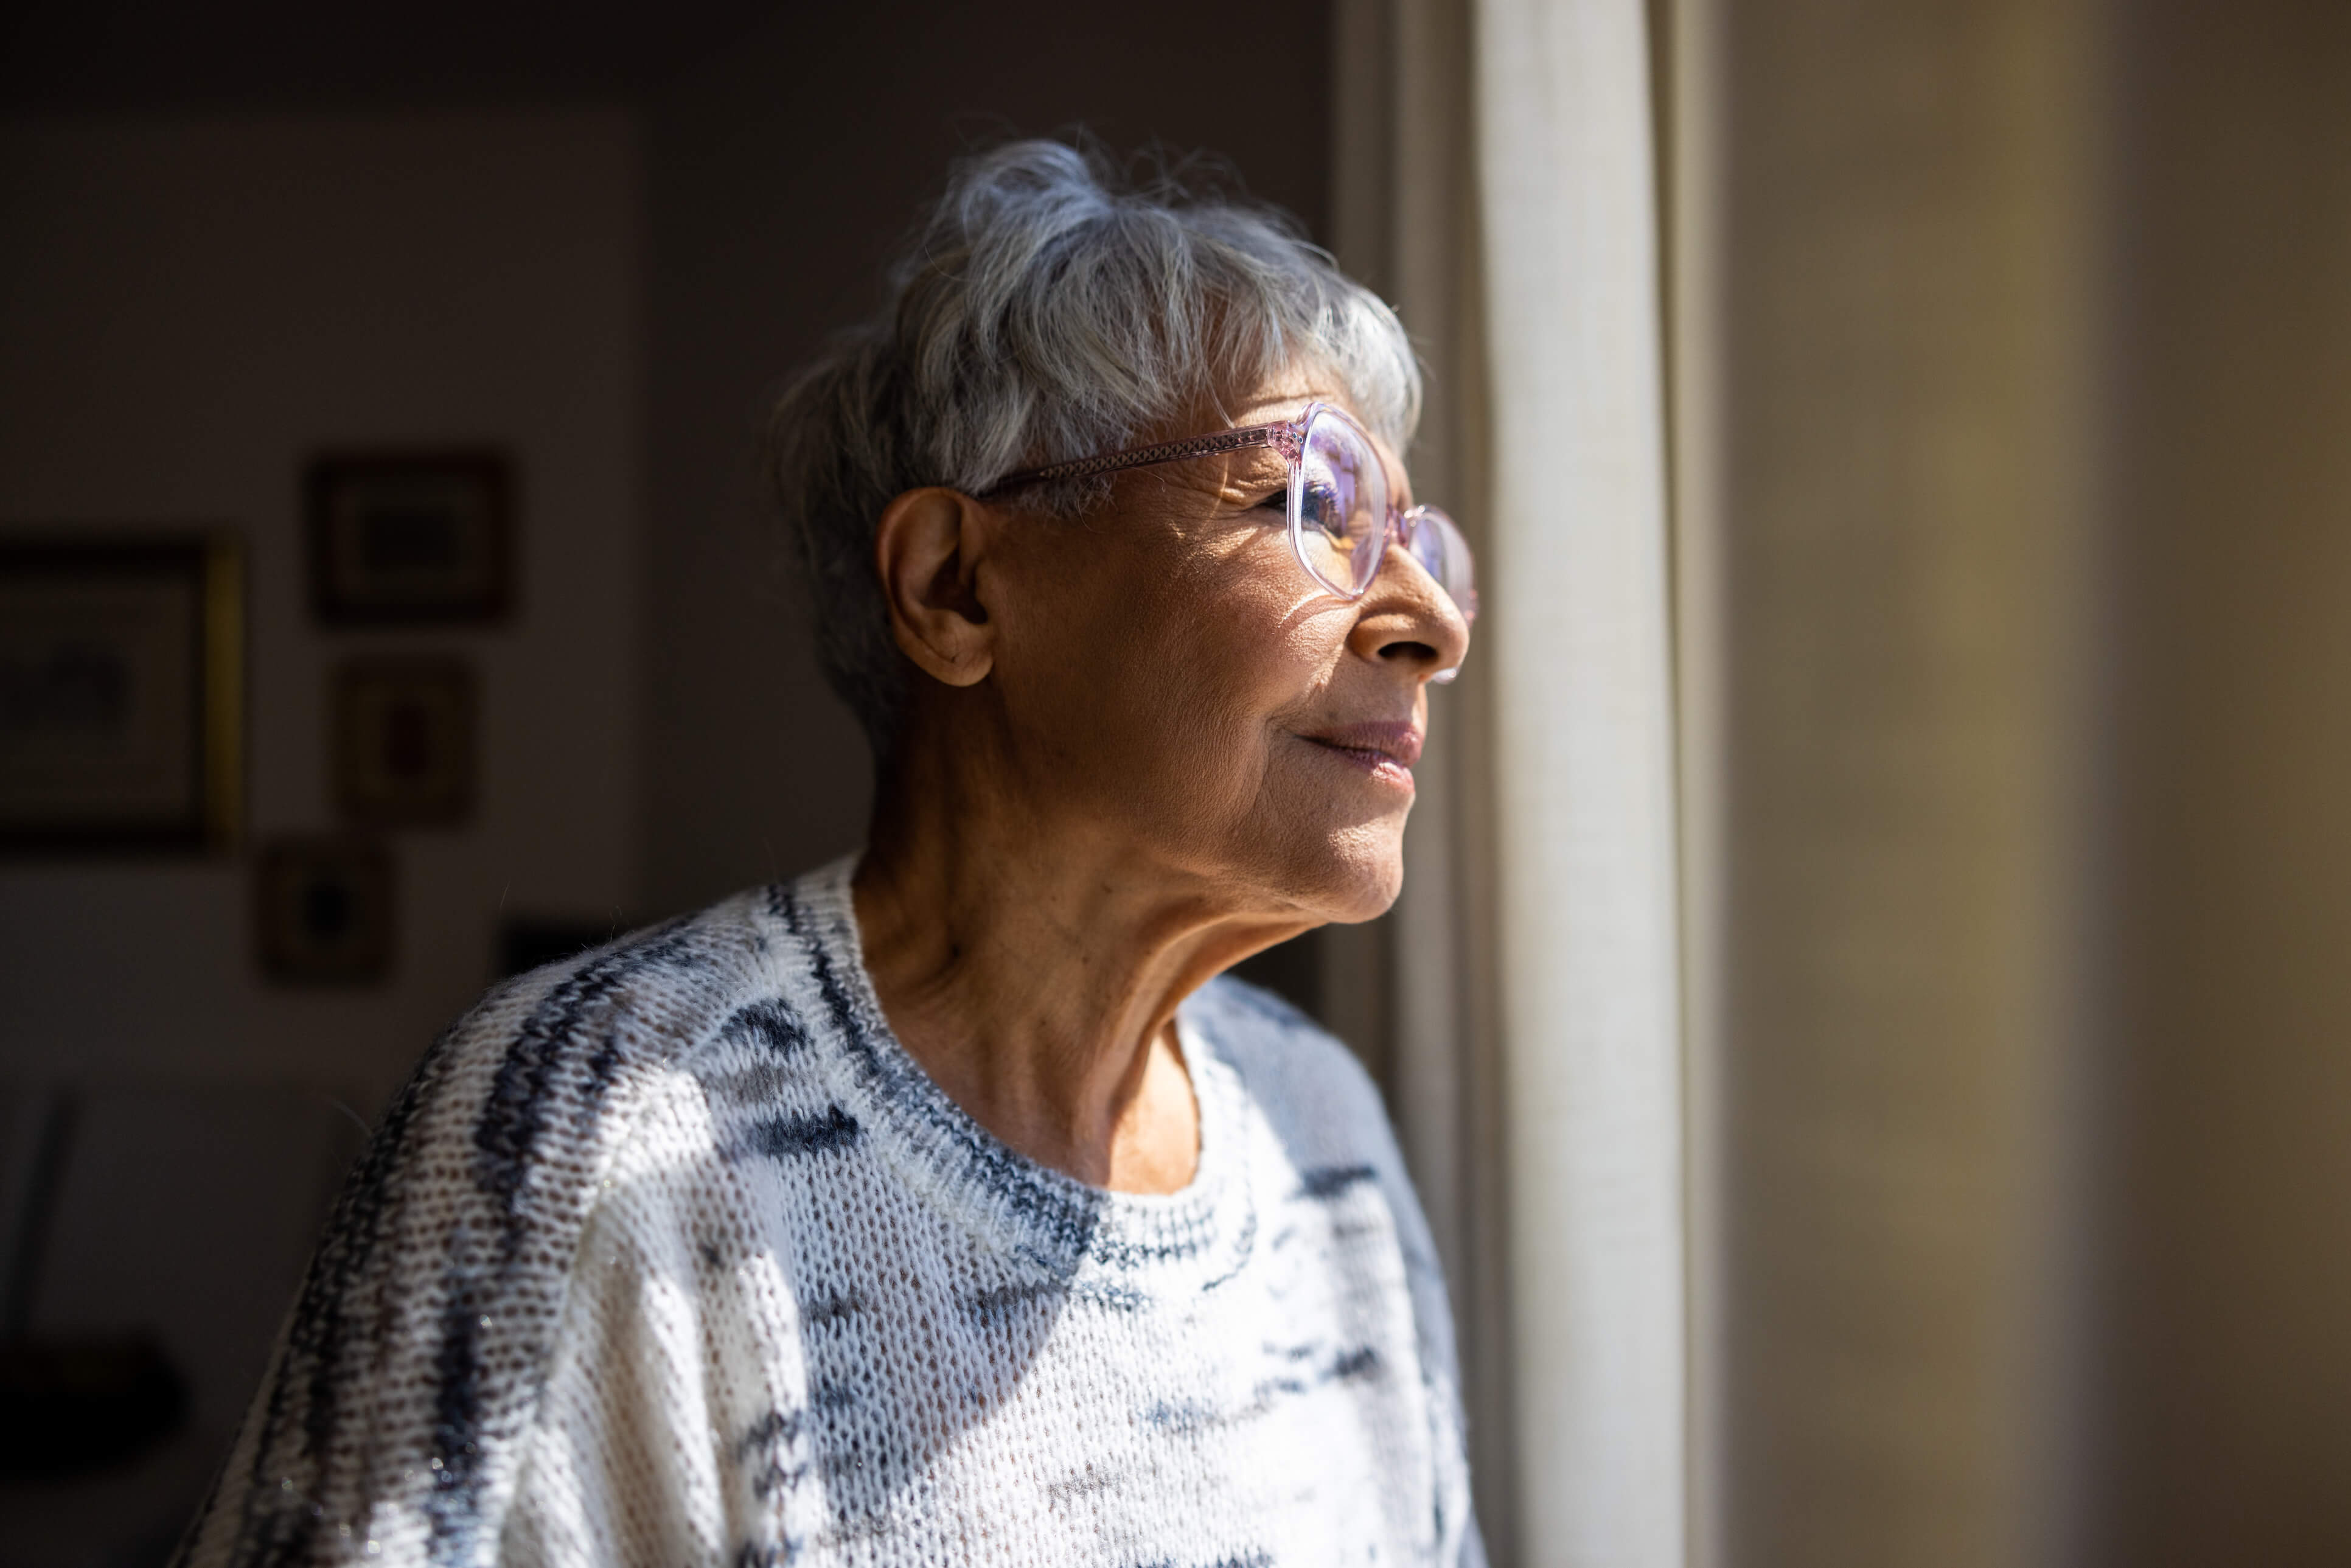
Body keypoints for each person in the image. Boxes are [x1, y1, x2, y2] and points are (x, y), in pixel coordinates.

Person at [178, 139, 1481, 1567]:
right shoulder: (600, 1123)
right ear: (957, 587)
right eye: (1312, 507)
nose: (1431, 619)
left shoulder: (1322, 1134)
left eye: (1417, 537)